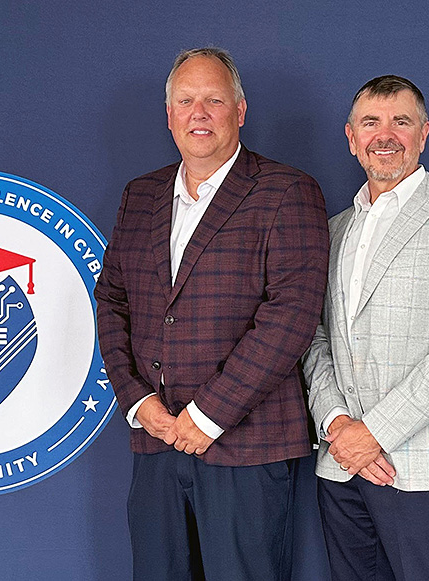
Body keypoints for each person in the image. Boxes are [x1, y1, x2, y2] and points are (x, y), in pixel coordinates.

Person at [94, 47, 329, 580]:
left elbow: (290, 316)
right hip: (155, 441)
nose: (199, 113)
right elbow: (111, 301)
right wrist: (137, 403)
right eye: (186, 101)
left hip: (246, 445)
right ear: (170, 115)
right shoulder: (141, 195)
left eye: (214, 100)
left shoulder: (287, 191)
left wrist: (208, 416)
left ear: (240, 111)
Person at [303, 75, 429, 581]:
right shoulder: (333, 230)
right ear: (351, 138)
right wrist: (336, 425)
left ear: (424, 132)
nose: (385, 134)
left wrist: (372, 433)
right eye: (371, 122)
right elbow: (316, 338)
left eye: (401, 121)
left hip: (420, 469)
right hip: (340, 466)